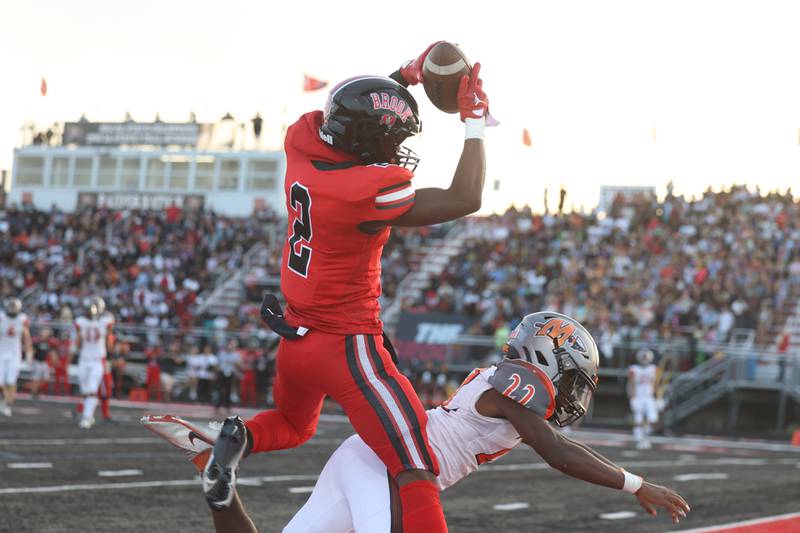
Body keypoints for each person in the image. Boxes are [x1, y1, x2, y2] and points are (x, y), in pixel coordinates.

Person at [202, 42, 492, 533]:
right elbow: (466, 197)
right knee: (415, 465)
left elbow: (351, 105)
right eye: (393, 137)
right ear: (368, 144)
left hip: (295, 340)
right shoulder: (365, 190)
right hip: (349, 347)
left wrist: (403, 76)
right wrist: (475, 122)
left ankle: (237, 437)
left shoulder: (302, 143)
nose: (399, 146)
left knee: (293, 425)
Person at [146, 312, 691, 532]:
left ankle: (221, 491)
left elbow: (562, 444)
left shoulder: (502, 381)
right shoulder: (516, 385)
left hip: (367, 458)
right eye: (572, 378)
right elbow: (559, 453)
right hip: (395, 470)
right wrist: (637, 484)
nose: (572, 393)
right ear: (547, 361)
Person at [74, 297, 114, 429]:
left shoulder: (104, 321)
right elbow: (79, 345)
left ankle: (86, 417)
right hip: (84, 359)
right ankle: (89, 415)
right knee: (85, 391)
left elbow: (109, 340)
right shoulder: (83, 323)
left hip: (97, 360)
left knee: (92, 389)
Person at [0, 298, 33, 416]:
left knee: (10, 381)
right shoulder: (2, 317)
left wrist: (29, 352)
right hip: (1, 353)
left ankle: (7, 405)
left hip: (14, 355)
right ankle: (4, 400)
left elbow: (26, 336)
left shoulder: (22, 319)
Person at [627, 349, 659, 450]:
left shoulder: (654, 369)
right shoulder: (633, 369)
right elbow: (630, 384)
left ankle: (646, 439)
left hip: (649, 397)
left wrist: (658, 397)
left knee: (652, 420)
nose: (644, 359)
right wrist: (632, 397)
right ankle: (639, 440)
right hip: (638, 396)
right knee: (638, 419)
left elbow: (656, 384)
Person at [216, 338, 243, 415]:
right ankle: (218, 405)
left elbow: (240, 365)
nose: (230, 346)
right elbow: (218, 364)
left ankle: (227, 405)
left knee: (228, 390)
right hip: (222, 372)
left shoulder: (237, 354)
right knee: (220, 389)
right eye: (230, 344)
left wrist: (235, 363)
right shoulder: (222, 353)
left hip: (231, 373)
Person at [30, 326, 57, 399]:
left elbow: (51, 352)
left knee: (46, 378)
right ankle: (34, 392)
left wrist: (55, 360)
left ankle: (35, 388)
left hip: (44, 362)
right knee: (36, 378)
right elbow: (33, 351)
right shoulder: (37, 342)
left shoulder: (48, 343)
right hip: (37, 362)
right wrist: (30, 360)